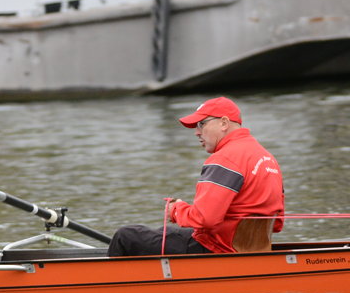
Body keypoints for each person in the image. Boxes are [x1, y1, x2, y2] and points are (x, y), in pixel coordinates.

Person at [108, 97, 284, 257]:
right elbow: (277, 224)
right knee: (164, 232)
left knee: (126, 236)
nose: (196, 132)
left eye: (201, 124)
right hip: (253, 249)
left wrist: (176, 210)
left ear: (223, 123)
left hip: (217, 250)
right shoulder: (268, 158)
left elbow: (206, 219)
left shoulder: (224, 159)